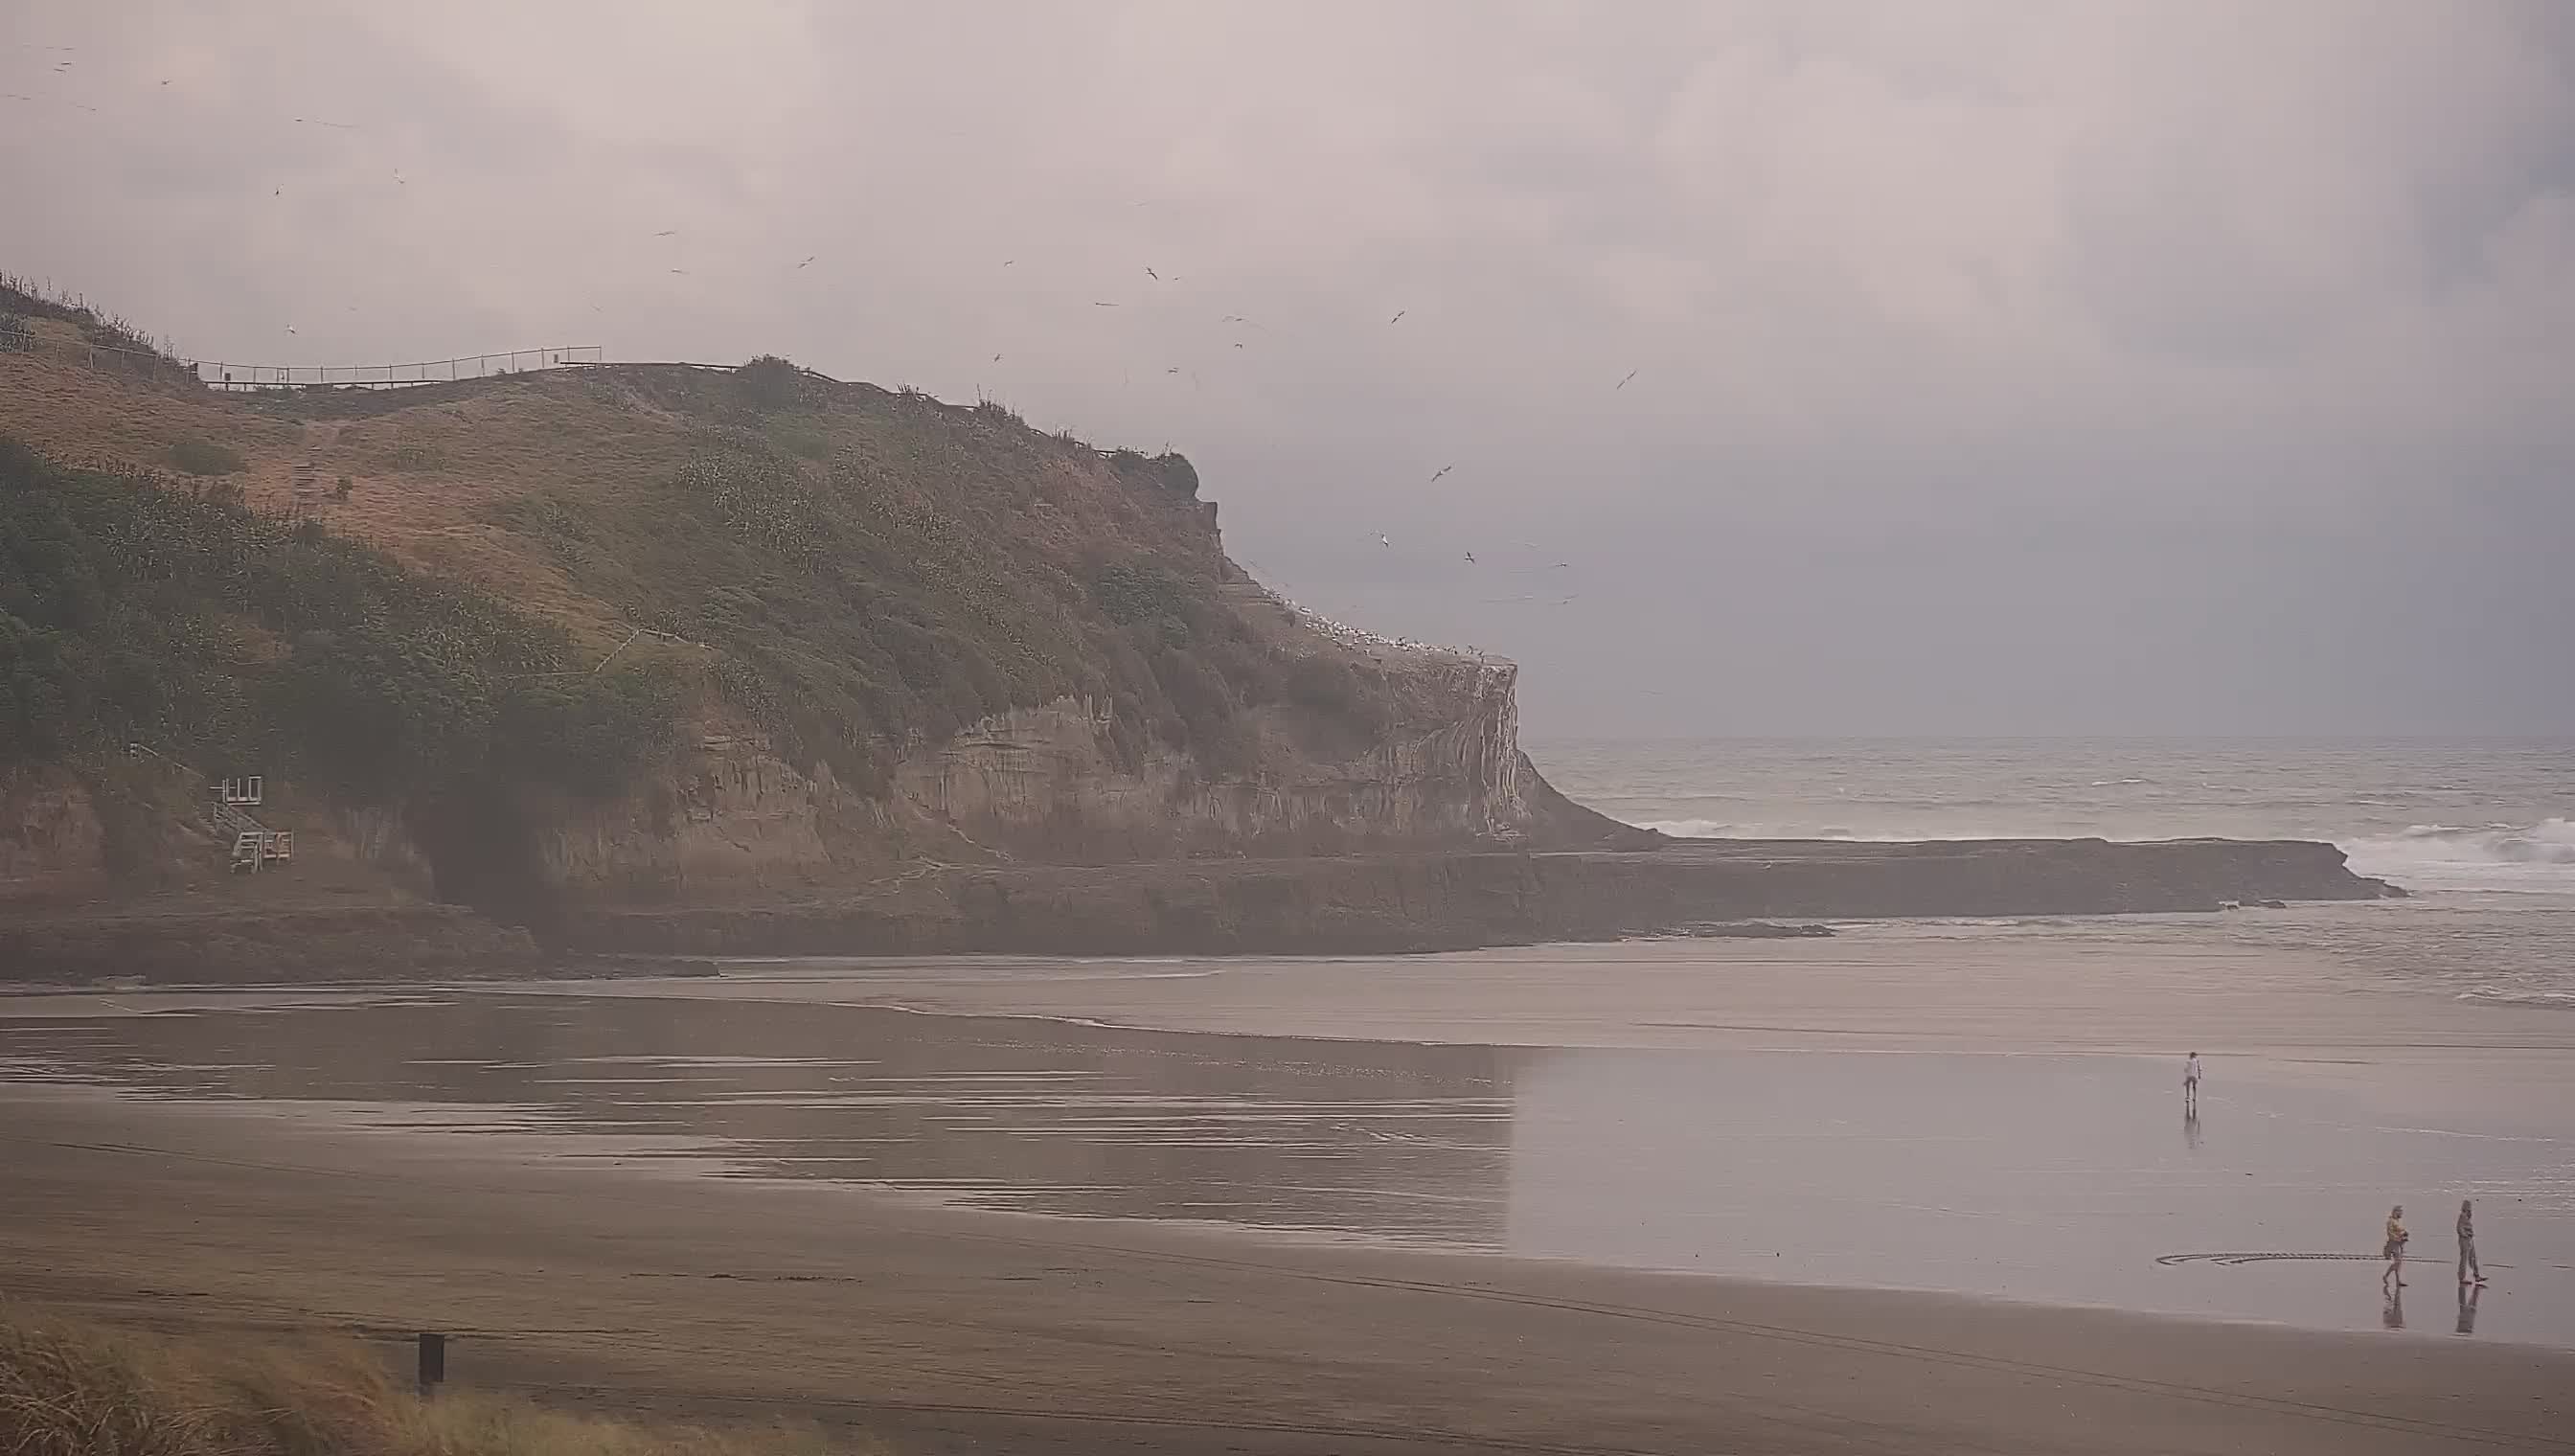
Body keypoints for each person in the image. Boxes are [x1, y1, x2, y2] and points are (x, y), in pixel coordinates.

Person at [2457, 1199, 2486, 1286]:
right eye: (2469, 1207)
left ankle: (2477, 1276)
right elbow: (2459, 1228)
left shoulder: (2466, 1216)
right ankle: (2462, 1278)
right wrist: (2465, 1235)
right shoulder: (2462, 1216)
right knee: (2464, 1259)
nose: (2470, 1209)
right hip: (2464, 1240)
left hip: (2469, 1239)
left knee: (2473, 1258)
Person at [2383, 1204, 2409, 1290]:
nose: (2402, 1213)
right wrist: (2399, 1238)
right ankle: (2386, 1276)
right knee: (2397, 1262)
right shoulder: (2391, 1221)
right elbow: (2390, 1233)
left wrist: (2405, 1234)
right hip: (2393, 1244)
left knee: (2399, 1263)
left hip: (2400, 1244)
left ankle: (2398, 1281)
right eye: (2400, 1212)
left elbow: (2401, 1230)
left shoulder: (2398, 1221)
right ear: (2396, 1212)